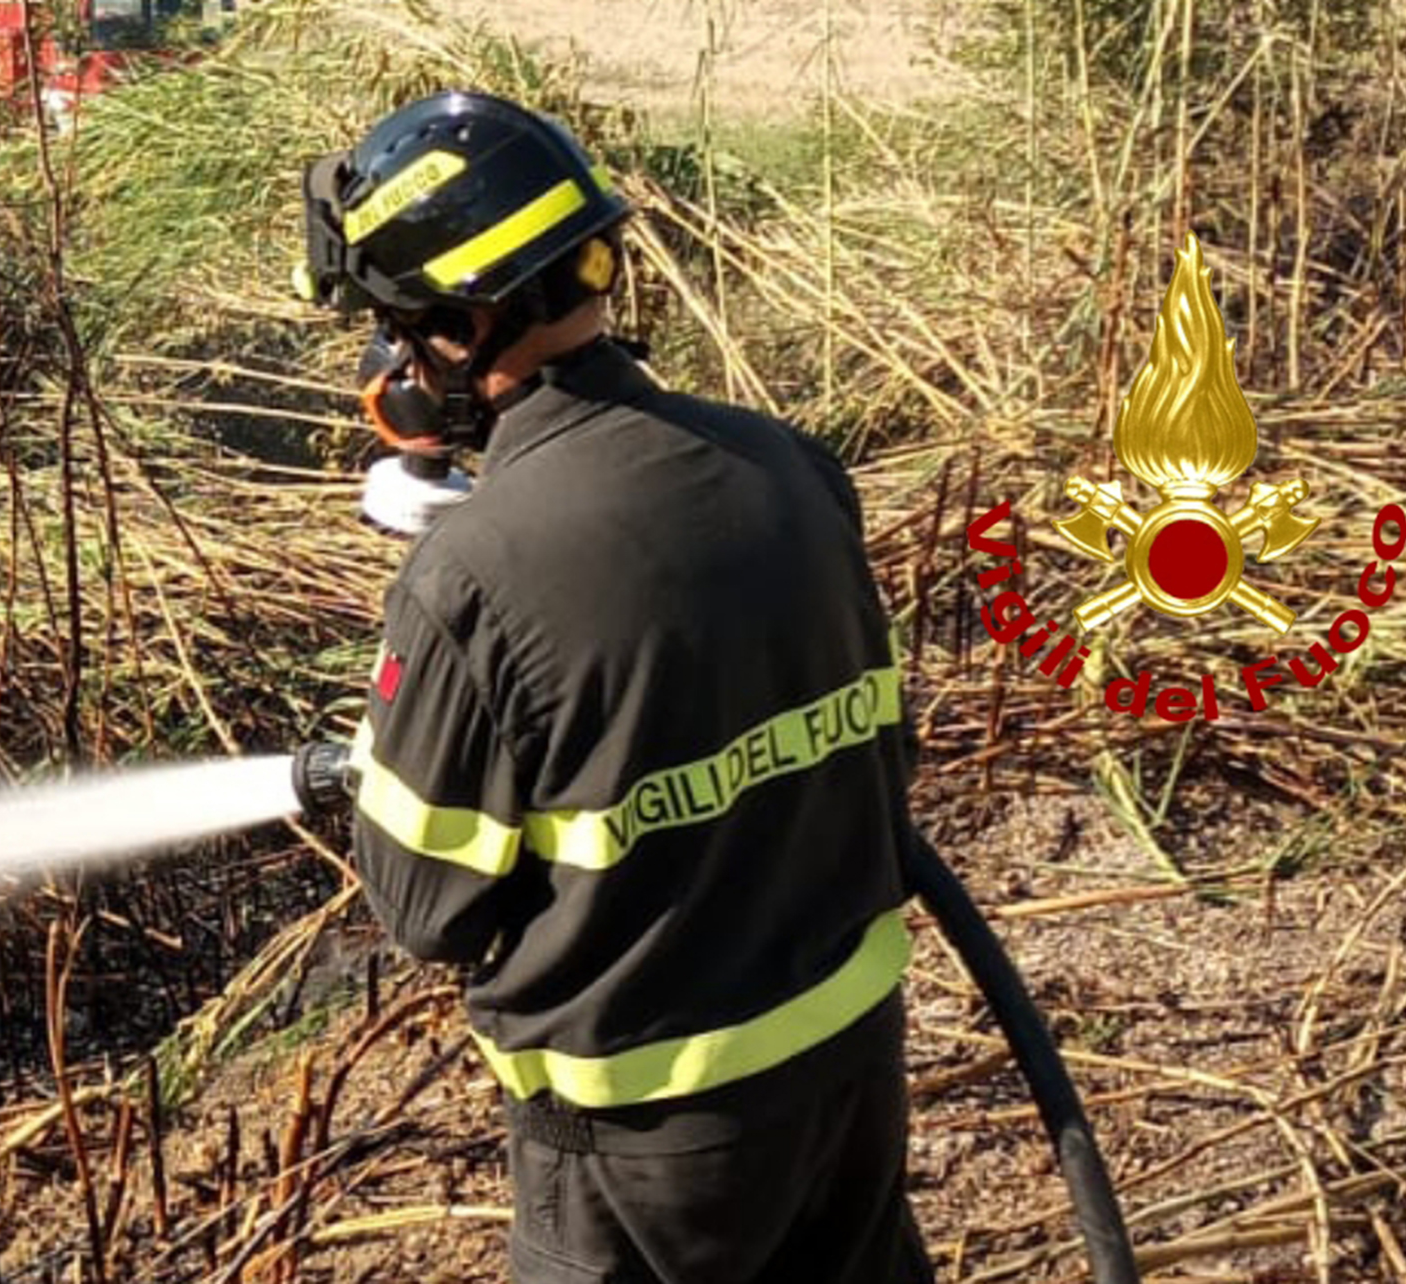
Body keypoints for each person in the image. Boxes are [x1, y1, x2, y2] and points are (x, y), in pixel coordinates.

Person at [292, 91, 934, 1284]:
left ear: (464, 322)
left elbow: (427, 906)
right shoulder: (786, 464)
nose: (391, 357)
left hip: (641, 1144)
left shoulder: (471, 572)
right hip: (848, 1072)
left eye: (396, 323)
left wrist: (426, 668)